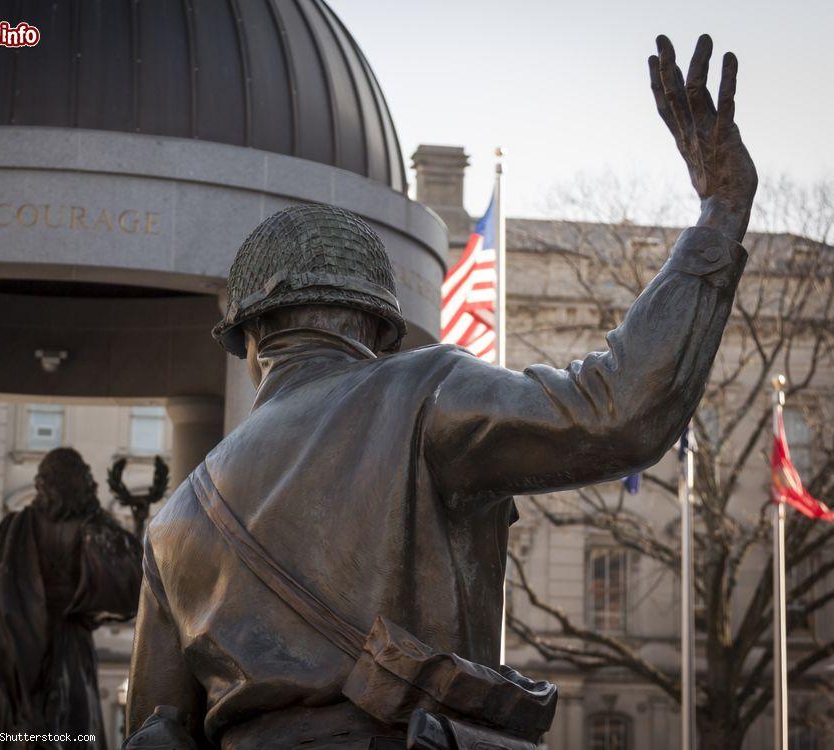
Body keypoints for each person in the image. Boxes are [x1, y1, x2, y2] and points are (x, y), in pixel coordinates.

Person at [125, 34, 756, 750]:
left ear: (248, 342)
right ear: (377, 330)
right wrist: (720, 215)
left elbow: (156, 733)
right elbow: (619, 412)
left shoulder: (174, 522)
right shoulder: (421, 390)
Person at [0, 447, 143, 749]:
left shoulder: (11, 529)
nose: (92, 484)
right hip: (69, 650)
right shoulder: (92, 526)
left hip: (22, 645)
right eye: (87, 477)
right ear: (78, 482)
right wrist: (136, 528)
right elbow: (130, 584)